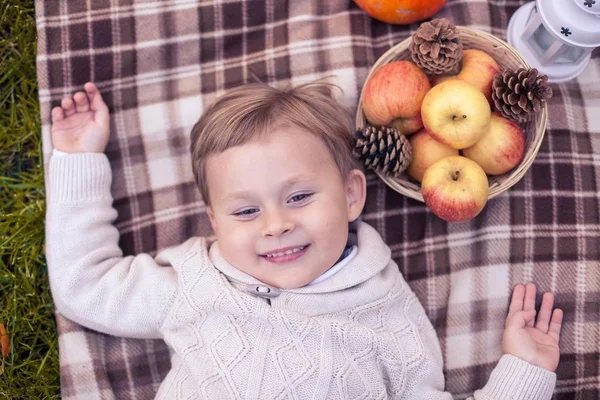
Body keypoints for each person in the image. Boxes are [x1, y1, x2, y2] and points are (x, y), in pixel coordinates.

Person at [46, 80, 563, 399]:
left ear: (352, 194)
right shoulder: (196, 284)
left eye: (298, 198)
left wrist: (526, 372)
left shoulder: (387, 313)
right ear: (215, 222)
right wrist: (77, 160)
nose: (276, 224)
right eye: (246, 211)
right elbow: (84, 285)